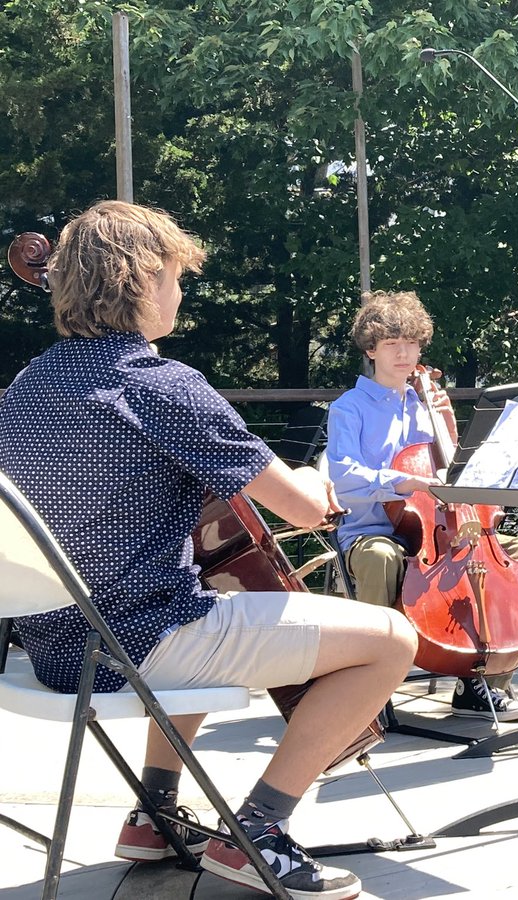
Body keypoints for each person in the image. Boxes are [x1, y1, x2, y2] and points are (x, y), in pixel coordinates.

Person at [0, 200, 417, 899]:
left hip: (51, 650)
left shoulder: (26, 387)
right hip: (136, 645)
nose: (181, 292)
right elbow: (304, 508)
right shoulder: (159, 385)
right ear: (137, 281)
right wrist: (315, 480)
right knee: (393, 640)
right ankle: (260, 828)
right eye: (173, 277)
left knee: (195, 591)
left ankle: (155, 814)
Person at [325, 290, 518, 722]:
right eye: (391, 344)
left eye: (412, 343)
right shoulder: (349, 408)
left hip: (441, 533)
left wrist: (447, 426)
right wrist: (399, 480)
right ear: (371, 349)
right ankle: (370, 688)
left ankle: (481, 681)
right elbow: (343, 474)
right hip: (372, 529)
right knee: (382, 559)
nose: (404, 353)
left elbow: (455, 474)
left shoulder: (430, 403)